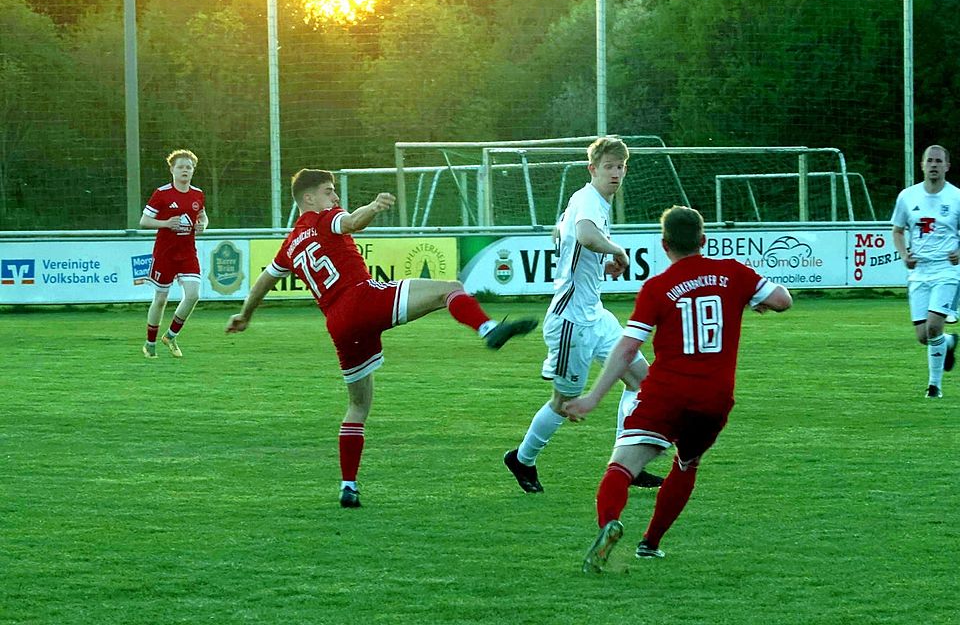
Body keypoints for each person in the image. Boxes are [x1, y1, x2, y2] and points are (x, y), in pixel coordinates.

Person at [225, 169, 537, 508]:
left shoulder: (290, 244)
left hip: (339, 324)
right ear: (308, 199)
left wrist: (246, 315)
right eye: (329, 191)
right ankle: (488, 330)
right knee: (451, 289)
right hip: (363, 299)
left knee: (358, 405)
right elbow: (351, 222)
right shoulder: (323, 217)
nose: (335, 197)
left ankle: (348, 485)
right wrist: (373, 207)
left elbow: (264, 281)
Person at [563, 205, 792, 573]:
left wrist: (592, 397)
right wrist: (758, 300)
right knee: (686, 462)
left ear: (664, 244)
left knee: (623, 465)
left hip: (666, 393)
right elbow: (782, 300)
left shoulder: (657, 288)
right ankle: (650, 544)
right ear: (703, 240)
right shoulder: (734, 273)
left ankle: (609, 522)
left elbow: (626, 349)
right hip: (714, 399)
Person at [502, 136, 662, 494]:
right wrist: (616, 250)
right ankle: (522, 459)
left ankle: (627, 466)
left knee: (642, 381)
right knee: (563, 403)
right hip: (571, 320)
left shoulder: (588, 200)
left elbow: (563, 233)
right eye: (609, 166)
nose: (616, 173)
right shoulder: (588, 199)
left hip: (595, 314)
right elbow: (585, 234)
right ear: (593, 169)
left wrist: (599, 261)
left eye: (621, 167)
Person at [891, 144, 960, 399]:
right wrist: (903, 254)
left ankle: (934, 386)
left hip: (947, 271)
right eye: (929, 160)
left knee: (933, 327)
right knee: (924, 336)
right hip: (919, 272)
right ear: (921, 165)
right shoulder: (907, 197)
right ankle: (949, 342)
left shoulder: (956, 197)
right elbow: (897, 231)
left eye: (938, 161)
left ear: (947, 166)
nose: (933, 165)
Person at [140, 149, 208, 359]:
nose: (185, 170)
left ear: (193, 170)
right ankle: (150, 343)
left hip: (187, 253)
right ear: (172, 169)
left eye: (189, 167)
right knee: (160, 299)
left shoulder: (198, 194)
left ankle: (170, 336)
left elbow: (203, 217)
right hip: (165, 253)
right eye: (181, 167)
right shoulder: (162, 194)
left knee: (194, 295)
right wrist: (166, 223)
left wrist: (202, 225)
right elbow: (144, 221)